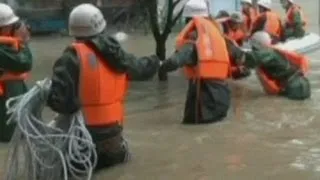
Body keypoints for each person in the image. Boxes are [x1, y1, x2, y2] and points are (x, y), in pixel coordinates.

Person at [46, 3, 160, 172]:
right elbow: (141, 69)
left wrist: (46, 93)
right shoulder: (118, 55)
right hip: (114, 140)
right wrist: (157, 61)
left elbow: (61, 103)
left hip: (83, 144)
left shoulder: (70, 58)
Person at [159, 0, 231, 124]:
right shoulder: (216, 34)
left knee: (193, 130)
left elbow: (174, 62)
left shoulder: (194, 39)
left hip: (205, 99)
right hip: (223, 96)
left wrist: (158, 65)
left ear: (189, 19)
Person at [243, 31, 310, 100]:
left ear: (257, 45)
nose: (252, 49)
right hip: (302, 83)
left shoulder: (267, 53)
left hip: (294, 87)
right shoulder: (273, 51)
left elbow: (250, 58)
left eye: (253, 47)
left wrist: (236, 55)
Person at [0, 3, 32, 142]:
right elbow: (24, 63)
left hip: (9, 102)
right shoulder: (3, 50)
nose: (14, 28)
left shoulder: (5, 46)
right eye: (10, 26)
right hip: (5, 110)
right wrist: (23, 43)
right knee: (11, 134)